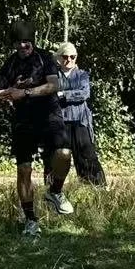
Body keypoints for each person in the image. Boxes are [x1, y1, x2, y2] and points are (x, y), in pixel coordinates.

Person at [0, 21, 71, 236]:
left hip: (49, 114)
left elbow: (54, 85)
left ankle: (55, 191)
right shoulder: (10, 64)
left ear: (32, 42)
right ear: (14, 44)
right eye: (19, 42)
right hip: (23, 120)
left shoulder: (45, 58)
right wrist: (8, 91)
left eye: (27, 42)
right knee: (24, 169)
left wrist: (25, 93)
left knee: (64, 154)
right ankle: (30, 220)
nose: (23, 46)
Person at [54, 41, 106, 188]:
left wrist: (63, 94)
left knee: (87, 155)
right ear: (59, 58)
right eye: (65, 56)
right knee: (57, 156)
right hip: (60, 122)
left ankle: (97, 187)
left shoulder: (82, 75)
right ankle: (54, 189)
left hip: (80, 121)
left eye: (72, 56)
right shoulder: (53, 76)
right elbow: (50, 95)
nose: (69, 60)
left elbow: (84, 93)